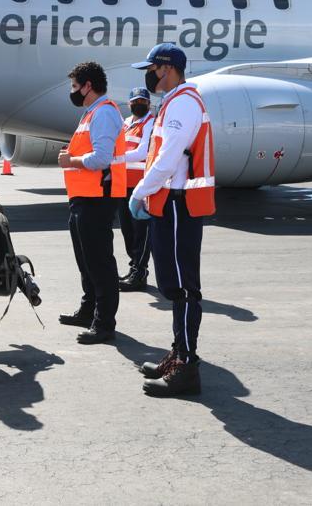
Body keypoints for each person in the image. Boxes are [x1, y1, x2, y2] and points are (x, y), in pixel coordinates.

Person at [129, 43, 216, 397]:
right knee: (173, 284)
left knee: (182, 288)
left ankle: (187, 366)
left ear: (166, 69)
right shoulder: (174, 102)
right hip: (171, 203)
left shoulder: (182, 103)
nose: (149, 76)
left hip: (179, 205)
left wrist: (139, 192)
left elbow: (166, 160)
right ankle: (179, 354)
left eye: (152, 69)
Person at [57, 62, 127, 345]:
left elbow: (101, 158)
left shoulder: (104, 113)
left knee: (99, 263)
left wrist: (70, 160)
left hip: (98, 198)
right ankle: (89, 310)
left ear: (88, 86)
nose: (73, 92)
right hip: (84, 198)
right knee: (86, 260)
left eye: (75, 86)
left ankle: (104, 323)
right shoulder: (92, 113)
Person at [118, 87, 156, 292]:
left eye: (142, 101)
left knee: (141, 230)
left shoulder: (150, 122)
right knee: (127, 230)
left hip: (140, 185)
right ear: (129, 103)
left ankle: (140, 272)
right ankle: (134, 267)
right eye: (135, 101)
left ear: (149, 104)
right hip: (123, 183)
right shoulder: (126, 123)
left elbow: (142, 152)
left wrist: (116, 158)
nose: (138, 105)